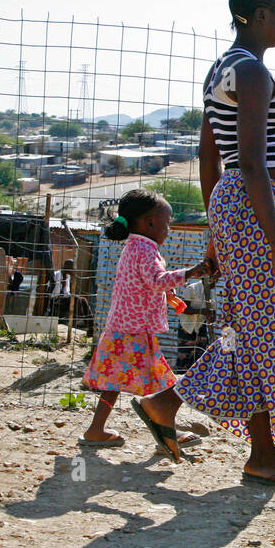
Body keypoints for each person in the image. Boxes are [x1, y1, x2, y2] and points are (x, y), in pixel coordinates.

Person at [132, 0, 275, 487]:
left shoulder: (222, 70)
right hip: (256, 205)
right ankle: (262, 455)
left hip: (236, 206)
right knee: (260, 331)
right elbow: (255, 166)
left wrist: (219, 229)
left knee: (246, 329)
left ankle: (165, 404)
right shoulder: (253, 73)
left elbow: (209, 156)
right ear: (257, 15)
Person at [78, 189, 213, 448]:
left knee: (114, 383)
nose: (169, 228)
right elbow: (155, 281)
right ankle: (167, 429)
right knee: (163, 381)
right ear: (149, 223)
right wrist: (190, 272)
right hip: (135, 330)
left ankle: (97, 430)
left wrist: (171, 298)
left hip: (123, 327)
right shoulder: (145, 249)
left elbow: (144, 285)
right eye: (168, 222)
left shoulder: (134, 247)